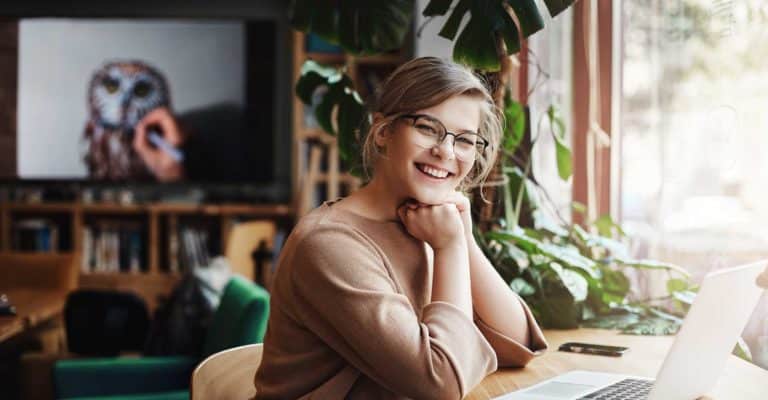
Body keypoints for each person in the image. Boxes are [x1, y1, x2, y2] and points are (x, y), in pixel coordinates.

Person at [253, 57, 547, 399]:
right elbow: (440, 383)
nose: (445, 151)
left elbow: (517, 343)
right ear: (383, 132)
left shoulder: (429, 225)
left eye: (465, 140)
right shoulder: (329, 244)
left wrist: (463, 239)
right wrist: (450, 248)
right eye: (427, 128)